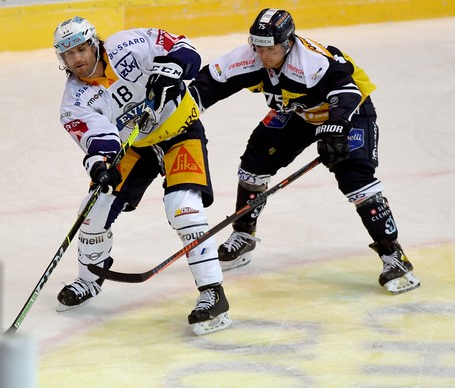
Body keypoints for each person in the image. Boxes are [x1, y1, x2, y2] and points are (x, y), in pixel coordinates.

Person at [188, 8, 420, 294]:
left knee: (355, 179)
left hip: (347, 112)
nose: (261, 56)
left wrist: (335, 127)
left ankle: (394, 256)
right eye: (257, 47)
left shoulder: (311, 63)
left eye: (269, 49)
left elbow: (347, 91)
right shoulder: (249, 57)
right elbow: (207, 84)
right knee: (254, 163)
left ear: (287, 43)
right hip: (297, 112)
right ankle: (243, 235)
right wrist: (181, 115)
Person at [53, 16, 231, 335]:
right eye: (69, 54)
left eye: (82, 49)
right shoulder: (74, 102)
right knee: (93, 210)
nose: (78, 58)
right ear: (62, 59)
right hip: (135, 147)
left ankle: (212, 293)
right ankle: (89, 280)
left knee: (183, 208)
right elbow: (98, 139)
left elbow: (184, 47)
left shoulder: (128, 44)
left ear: (94, 44)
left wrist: (173, 68)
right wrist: (100, 165)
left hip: (180, 130)